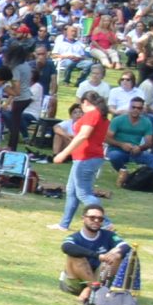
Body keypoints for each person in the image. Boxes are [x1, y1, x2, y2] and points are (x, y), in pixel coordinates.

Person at [55, 87, 111, 230]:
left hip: (86, 157)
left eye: (81, 105)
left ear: (85, 102)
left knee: (84, 193)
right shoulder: (102, 115)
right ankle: (64, 224)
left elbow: (83, 135)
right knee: (72, 191)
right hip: (88, 157)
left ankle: (106, 223)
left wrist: (64, 153)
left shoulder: (92, 115)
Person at [59, 205, 134, 301]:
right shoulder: (75, 237)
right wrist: (98, 256)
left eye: (100, 219)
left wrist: (117, 254)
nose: (96, 221)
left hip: (100, 279)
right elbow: (66, 247)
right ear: (83, 219)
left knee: (116, 254)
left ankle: (90, 289)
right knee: (75, 256)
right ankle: (93, 288)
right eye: (92, 218)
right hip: (76, 283)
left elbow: (126, 247)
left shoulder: (108, 235)